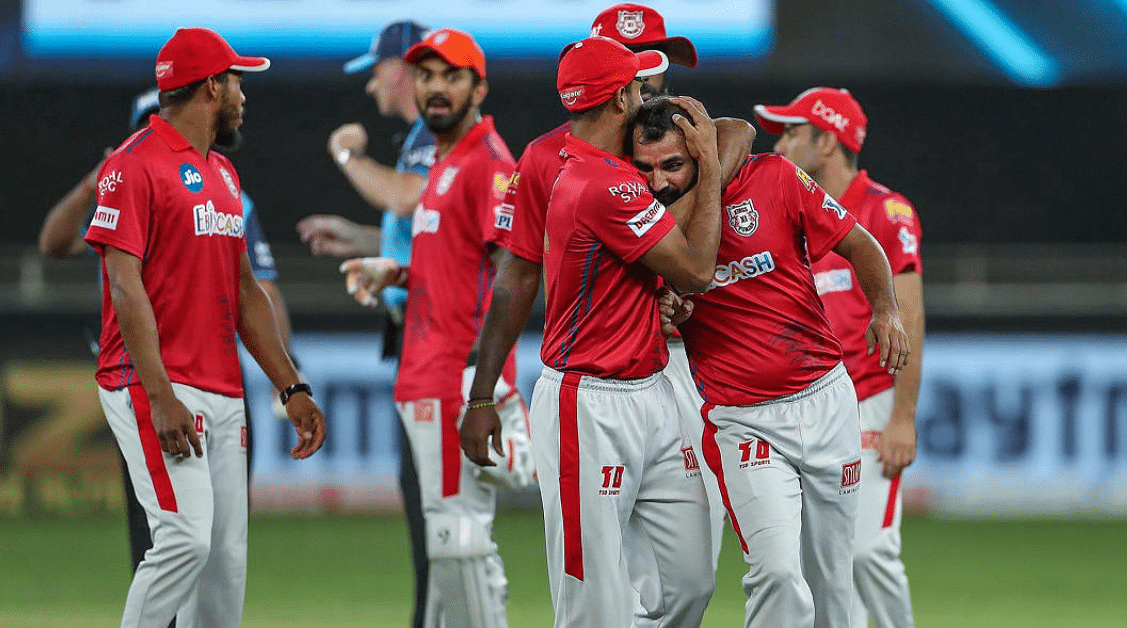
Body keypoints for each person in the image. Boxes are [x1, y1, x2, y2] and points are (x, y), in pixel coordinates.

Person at [460, 10, 750, 606]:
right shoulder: (554, 162)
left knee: (687, 582)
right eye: (641, 64)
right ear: (617, 86)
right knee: (601, 588)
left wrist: (663, 276)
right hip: (591, 379)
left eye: (658, 59)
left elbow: (739, 131)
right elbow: (516, 275)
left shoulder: (671, 138)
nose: (654, 77)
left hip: (674, 371)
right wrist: (482, 390)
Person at [631, 96, 909, 628]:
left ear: (701, 153)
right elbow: (646, 309)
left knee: (833, 587)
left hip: (826, 401)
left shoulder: (776, 179)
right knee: (778, 573)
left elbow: (860, 243)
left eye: (673, 165)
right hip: (742, 420)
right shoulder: (647, 224)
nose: (660, 182)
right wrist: (664, 311)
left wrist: (886, 310)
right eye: (646, 169)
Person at [83, 27, 324, 628]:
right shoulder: (132, 165)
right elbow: (124, 284)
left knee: (223, 565)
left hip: (220, 389)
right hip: (152, 384)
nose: (244, 94)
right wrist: (161, 395)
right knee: (184, 540)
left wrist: (290, 386)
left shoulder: (223, 176)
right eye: (239, 81)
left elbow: (244, 293)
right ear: (213, 87)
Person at [38, 86, 294, 586]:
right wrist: (94, 182)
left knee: (218, 541)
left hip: (214, 372)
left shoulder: (227, 190)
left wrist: (290, 373)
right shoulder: (127, 184)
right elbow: (54, 242)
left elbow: (256, 289)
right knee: (166, 536)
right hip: (149, 374)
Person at [340, 28, 533, 628]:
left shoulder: (487, 162)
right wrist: (394, 272)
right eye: (426, 75)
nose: (436, 88)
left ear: (479, 86)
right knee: (447, 546)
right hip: (425, 375)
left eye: (452, 75)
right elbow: (454, 269)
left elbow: (515, 275)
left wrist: (481, 389)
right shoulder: (448, 164)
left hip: (455, 377)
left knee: (459, 536)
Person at [756, 87, 925, 628]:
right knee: (820, 567)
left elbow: (910, 316)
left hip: (869, 401)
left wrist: (902, 417)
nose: (779, 142)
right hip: (804, 404)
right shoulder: (783, 212)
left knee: (867, 551)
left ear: (828, 140)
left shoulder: (885, 211)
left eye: (793, 132)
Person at [295, 20, 438, 627]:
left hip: (437, 338)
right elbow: (419, 230)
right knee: (424, 498)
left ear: (403, 68)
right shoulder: (419, 137)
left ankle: (440, 616)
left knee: (435, 503)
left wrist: (348, 153)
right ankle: (435, 614)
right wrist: (357, 237)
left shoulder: (431, 137)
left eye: (377, 69)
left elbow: (408, 199)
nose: (371, 84)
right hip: (419, 334)